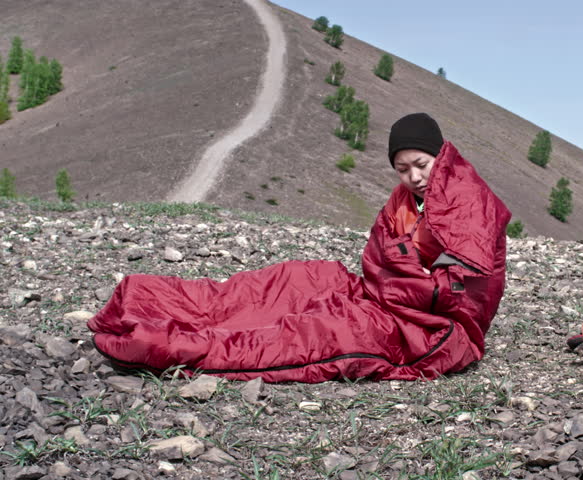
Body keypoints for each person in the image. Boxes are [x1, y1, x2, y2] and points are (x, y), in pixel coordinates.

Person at [88, 113, 512, 382]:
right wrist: (399, 273)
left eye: (421, 164)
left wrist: (402, 276)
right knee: (287, 283)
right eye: (402, 169)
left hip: (432, 330)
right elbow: (379, 259)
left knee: (311, 332)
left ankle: (161, 343)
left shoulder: (469, 201)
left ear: (441, 156)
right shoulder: (402, 202)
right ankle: (146, 300)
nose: (414, 176)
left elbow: (459, 293)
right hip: (384, 297)